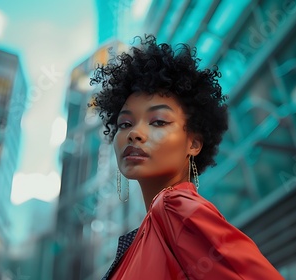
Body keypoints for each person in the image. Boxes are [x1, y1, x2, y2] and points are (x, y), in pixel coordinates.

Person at [90, 34, 284, 280]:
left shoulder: (175, 208)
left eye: (158, 121)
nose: (134, 134)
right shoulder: (144, 234)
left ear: (193, 143)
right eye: (125, 123)